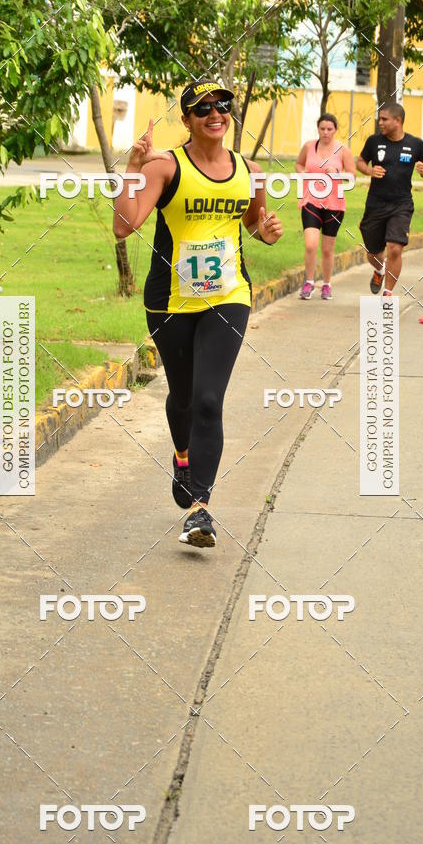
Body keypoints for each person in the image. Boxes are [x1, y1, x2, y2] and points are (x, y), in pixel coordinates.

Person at [113, 79, 282, 549]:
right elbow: (124, 226)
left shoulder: (250, 170)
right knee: (183, 397)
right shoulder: (165, 165)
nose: (215, 112)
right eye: (202, 107)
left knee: (209, 400)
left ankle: (199, 508)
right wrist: (131, 167)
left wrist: (265, 230)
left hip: (229, 296)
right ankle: (182, 456)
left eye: (223, 104)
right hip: (170, 302)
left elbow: (252, 220)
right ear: (186, 119)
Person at [357, 103, 423, 296]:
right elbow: (360, 162)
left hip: (402, 204)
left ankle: (388, 294)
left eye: (384, 119)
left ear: (397, 121)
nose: (380, 122)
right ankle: (379, 270)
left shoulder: (415, 144)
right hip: (375, 204)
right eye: (379, 118)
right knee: (373, 253)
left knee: (395, 248)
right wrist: (369, 170)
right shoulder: (374, 142)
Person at [295, 113, 355, 300]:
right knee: (311, 244)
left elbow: (352, 174)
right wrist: (303, 172)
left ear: (335, 130)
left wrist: (337, 172)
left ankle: (327, 284)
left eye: (330, 129)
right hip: (311, 201)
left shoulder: (343, 150)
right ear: (318, 129)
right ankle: (309, 282)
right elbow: (298, 164)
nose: (326, 132)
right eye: (322, 129)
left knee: (328, 249)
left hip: (334, 205)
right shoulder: (308, 146)